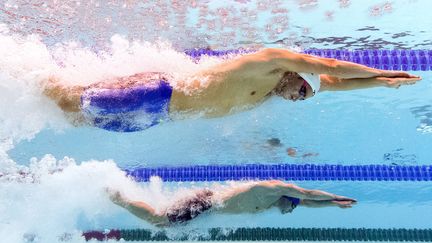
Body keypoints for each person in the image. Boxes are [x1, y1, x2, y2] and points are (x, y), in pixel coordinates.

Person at [44, 48, 421, 132]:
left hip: (157, 115)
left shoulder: (280, 89)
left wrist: (382, 84)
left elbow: (333, 84)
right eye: (302, 94)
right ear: (298, 76)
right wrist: (385, 69)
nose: (296, 101)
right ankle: (18, 75)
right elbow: (333, 69)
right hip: (156, 93)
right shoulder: (270, 63)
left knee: (74, 117)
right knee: (66, 97)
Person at [108, 180, 356, 227]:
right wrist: (334, 197)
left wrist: (334, 206)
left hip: (206, 208)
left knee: (162, 223)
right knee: (159, 219)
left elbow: (308, 203)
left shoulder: (272, 203)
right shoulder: (273, 190)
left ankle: (121, 196)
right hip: (205, 202)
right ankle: (119, 197)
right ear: (289, 199)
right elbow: (308, 194)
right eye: (294, 206)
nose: (292, 211)